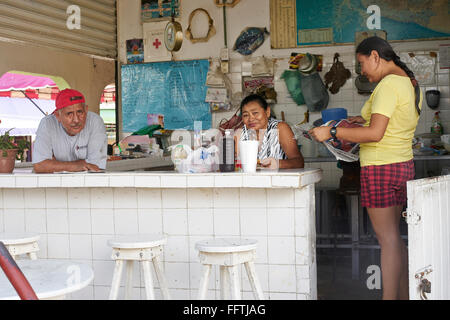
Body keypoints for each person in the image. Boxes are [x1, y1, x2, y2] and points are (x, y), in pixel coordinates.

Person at [309, 36, 422, 300]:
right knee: (396, 239)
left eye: (362, 64)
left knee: (388, 241)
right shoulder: (406, 82)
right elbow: (382, 122)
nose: (362, 71)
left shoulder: (388, 85)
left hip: (381, 169)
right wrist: (354, 120)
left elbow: (375, 133)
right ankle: (404, 296)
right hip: (401, 165)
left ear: (375, 56)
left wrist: (332, 131)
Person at [32, 88, 108, 173]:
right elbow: (40, 166)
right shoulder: (47, 124)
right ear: (57, 116)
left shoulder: (95, 121)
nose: (76, 120)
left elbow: (95, 167)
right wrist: (78, 165)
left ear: (86, 110)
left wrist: (54, 164)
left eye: (80, 112)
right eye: (69, 114)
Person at [235, 94, 304, 169]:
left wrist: (278, 164)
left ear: (267, 112)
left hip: (279, 179)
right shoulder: (240, 133)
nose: (251, 119)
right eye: (245, 115)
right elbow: (233, 163)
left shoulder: (280, 128)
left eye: (255, 113)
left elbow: (299, 162)